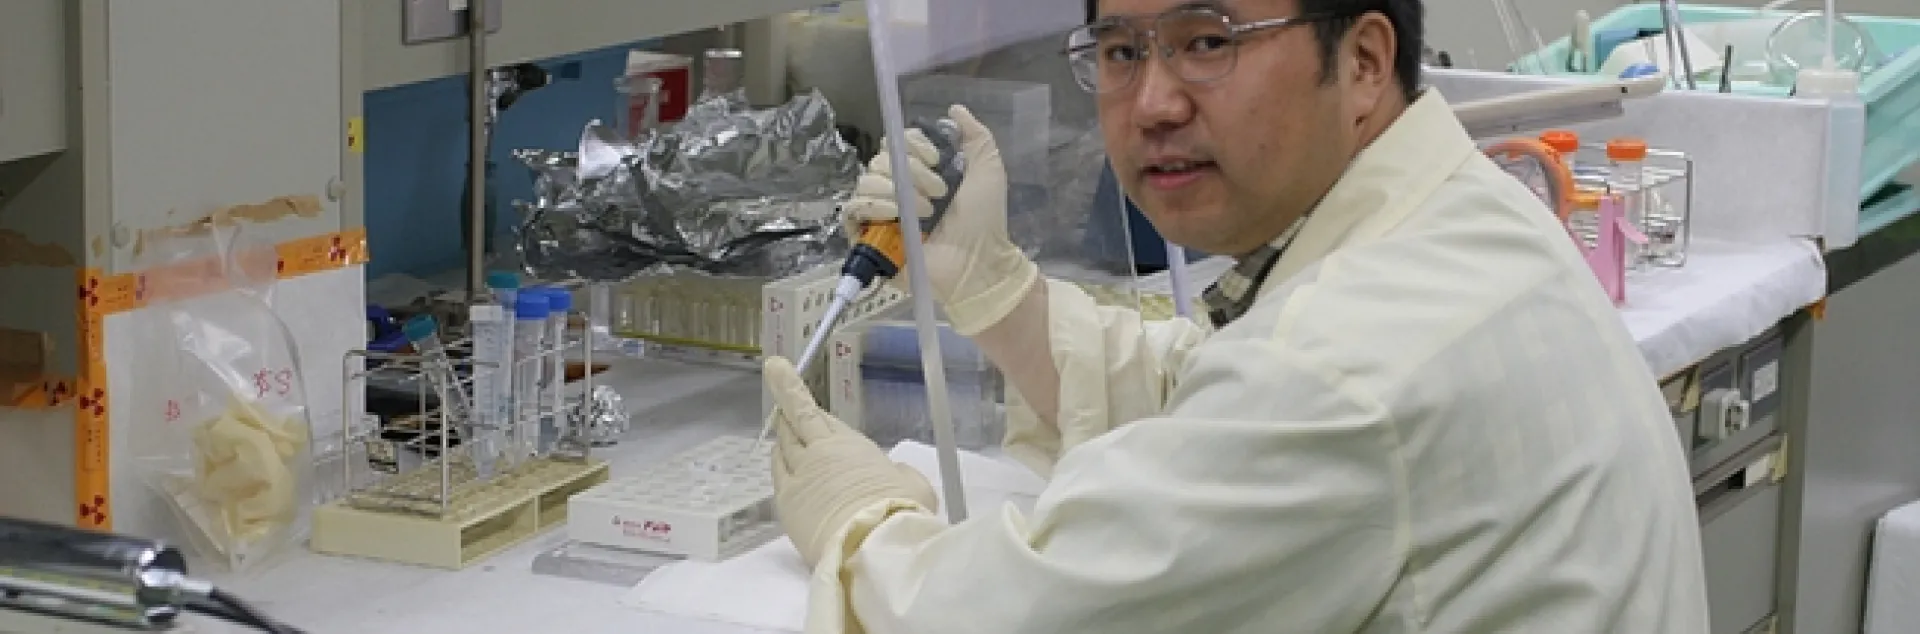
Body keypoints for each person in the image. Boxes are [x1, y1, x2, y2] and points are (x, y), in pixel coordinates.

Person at [762, 0, 1712, 631]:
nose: (1154, 103)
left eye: (1208, 40)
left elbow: (1035, 614)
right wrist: (1000, 292)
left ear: (1366, 60)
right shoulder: (1462, 214)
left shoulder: (1345, 365)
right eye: (1123, 52)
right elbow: (1224, 411)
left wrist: (864, 530)